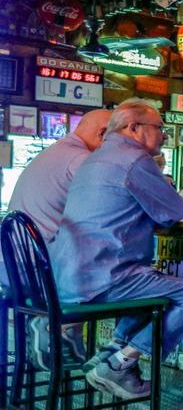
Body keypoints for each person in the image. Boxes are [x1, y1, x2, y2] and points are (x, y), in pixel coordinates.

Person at [50, 101, 183, 400]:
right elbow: (176, 212)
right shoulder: (135, 159)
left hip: (66, 279)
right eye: (160, 128)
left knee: (149, 288)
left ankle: (111, 355)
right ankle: (121, 364)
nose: (164, 136)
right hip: (103, 278)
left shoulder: (94, 159)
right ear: (134, 128)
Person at [5, 108, 112, 369]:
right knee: (120, 277)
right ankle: (60, 327)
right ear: (102, 134)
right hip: (41, 278)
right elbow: (115, 207)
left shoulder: (56, 152)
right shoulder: (81, 160)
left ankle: (62, 329)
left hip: (15, 271)